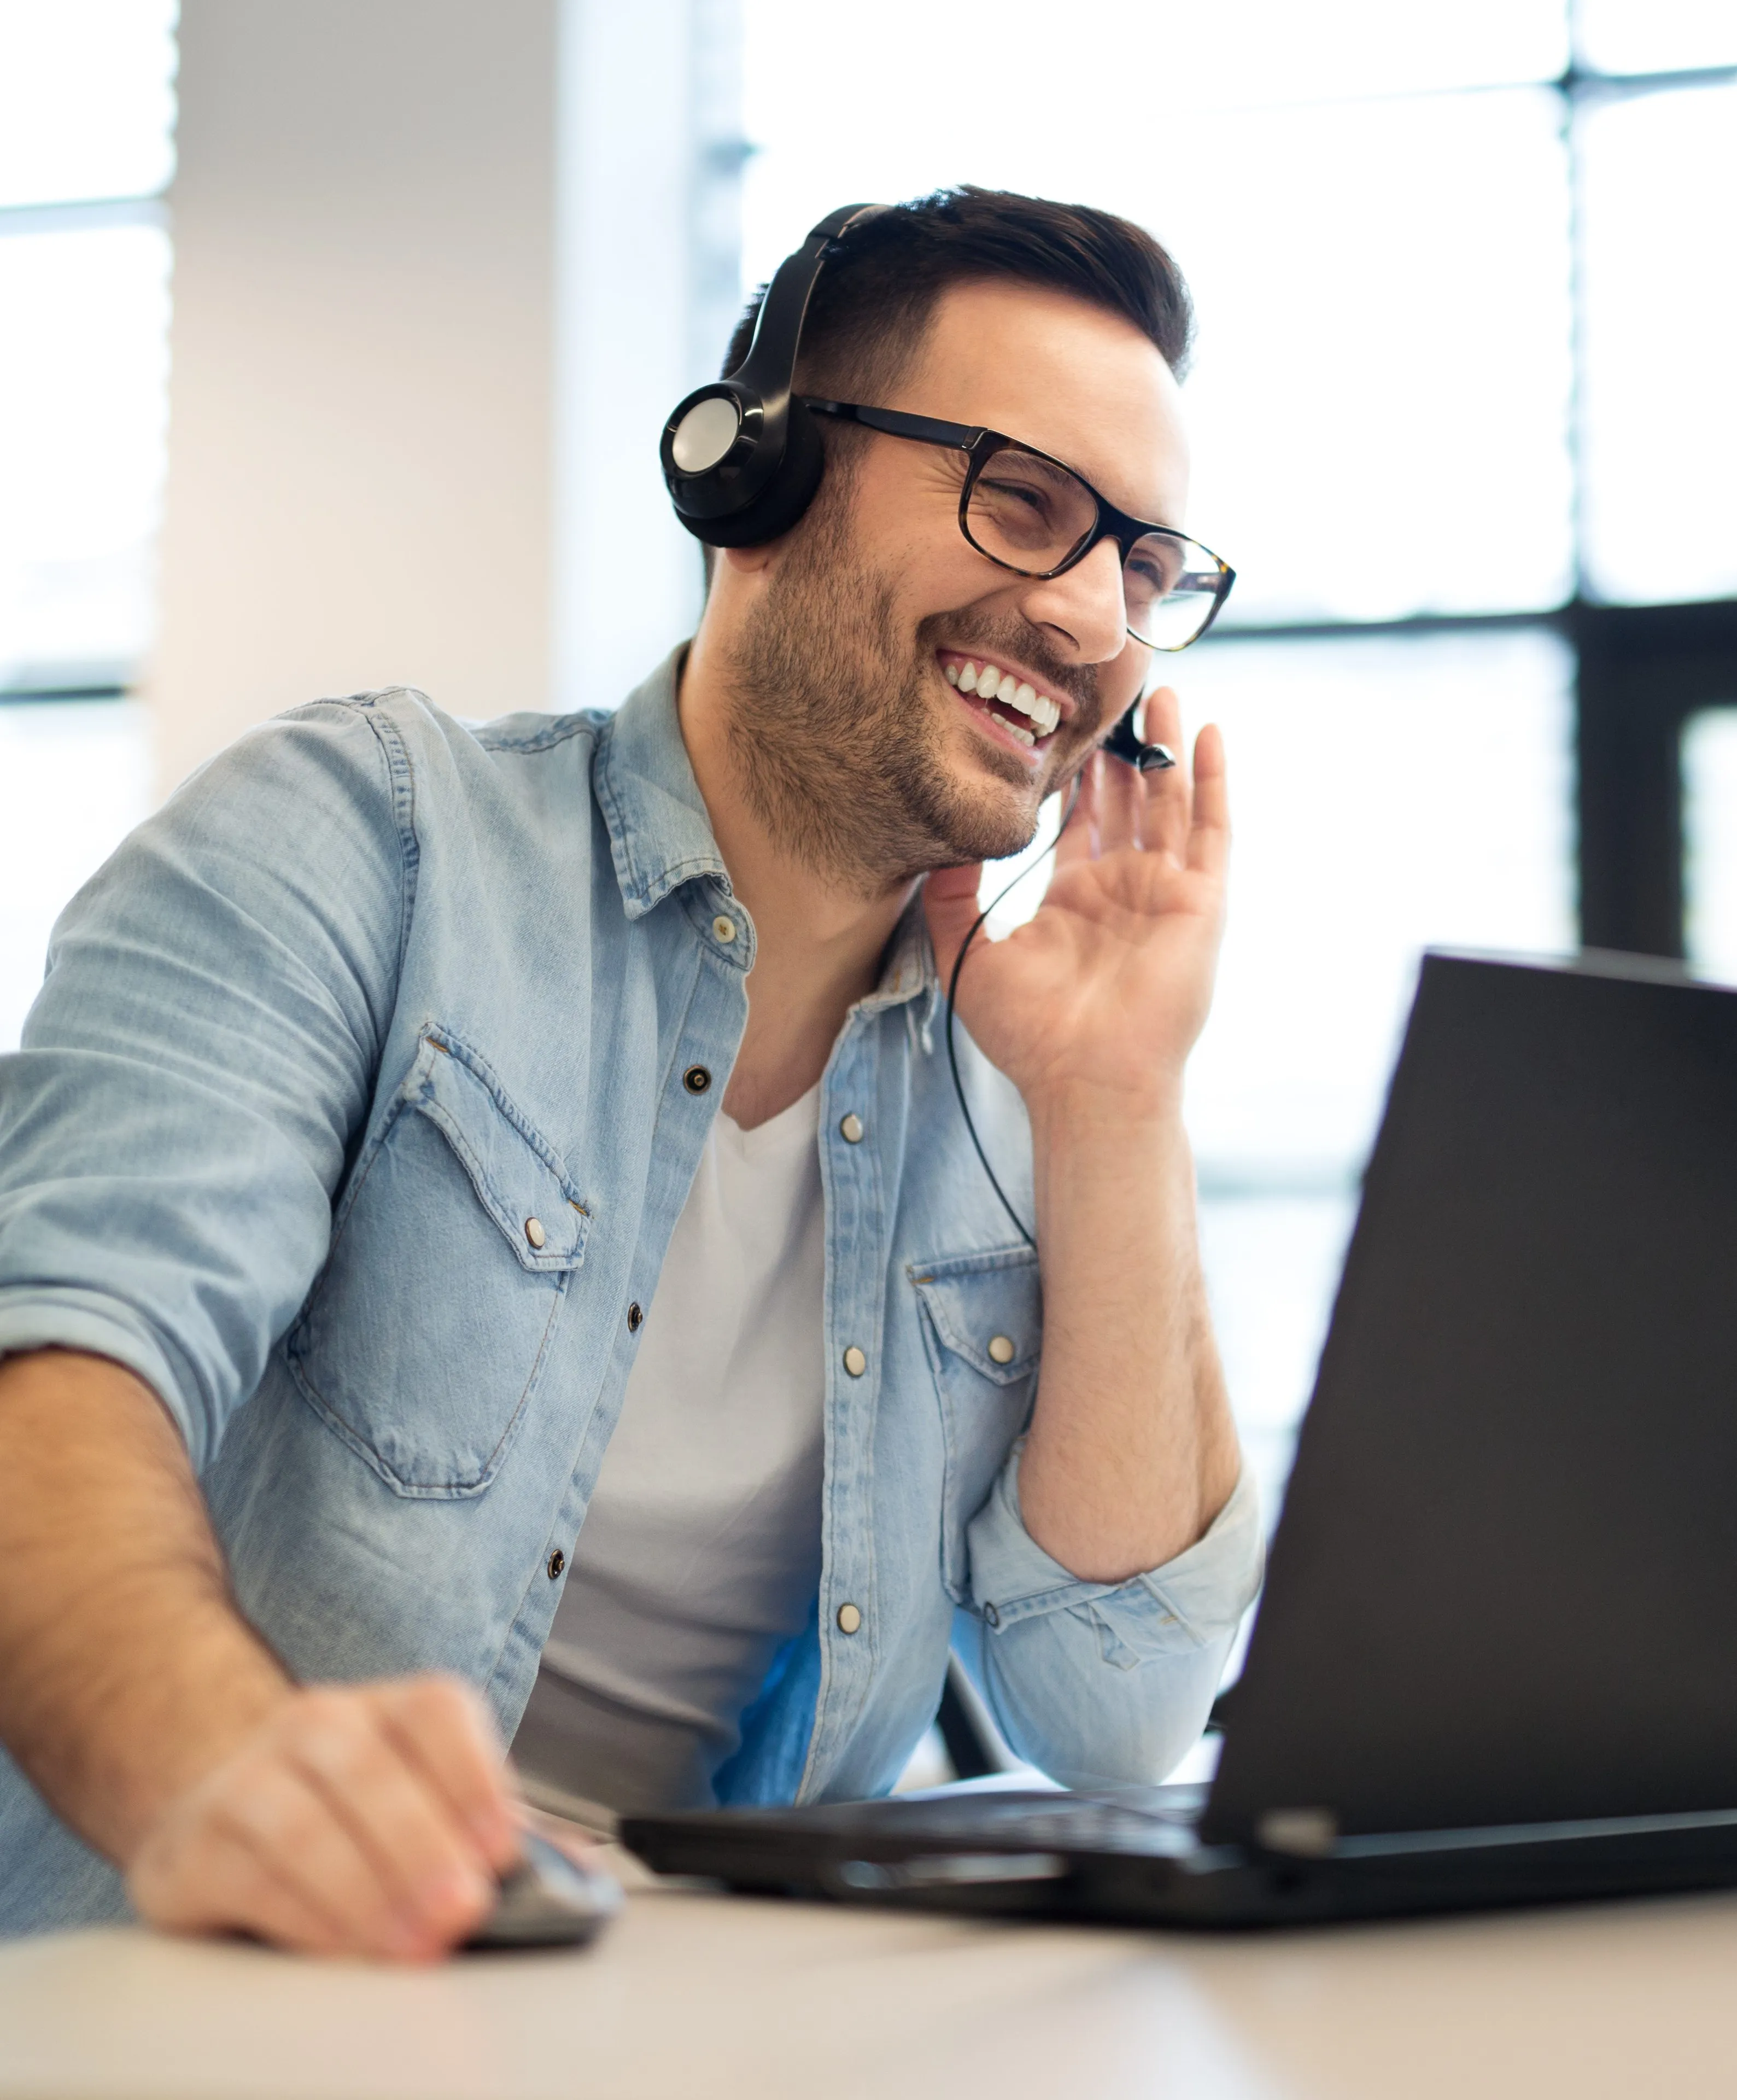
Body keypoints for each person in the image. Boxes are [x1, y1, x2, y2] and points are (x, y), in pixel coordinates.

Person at [0, 187, 1262, 1957]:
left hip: (730, 2025)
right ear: (752, 478)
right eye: (1021, 501)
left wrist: (1120, 1100)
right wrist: (209, 1765)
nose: (1082, 616)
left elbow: (1116, 1715)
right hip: (243, 1995)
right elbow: (54, 1374)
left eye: (1140, 565)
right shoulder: (365, 842)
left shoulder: (1025, 1068)